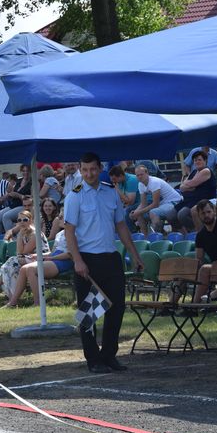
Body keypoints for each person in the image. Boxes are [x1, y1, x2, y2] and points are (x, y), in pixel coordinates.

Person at [65, 152, 144, 374]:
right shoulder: (75, 195)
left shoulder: (111, 192)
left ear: (100, 168)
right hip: (87, 259)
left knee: (116, 309)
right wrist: (78, 260)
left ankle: (109, 356)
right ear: (80, 170)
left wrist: (135, 255)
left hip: (111, 257)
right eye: (85, 169)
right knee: (89, 313)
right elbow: (69, 231)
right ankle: (93, 359)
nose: (89, 173)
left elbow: (121, 226)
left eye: (93, 169)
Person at [4, 227, 74, 307]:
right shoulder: (59, 234)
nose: (59, 219)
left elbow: (70, 254)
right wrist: (38, 255)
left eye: (61, 217)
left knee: (31, 269)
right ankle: (13, 302)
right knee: (24, 269)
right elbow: (53, 252)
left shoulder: (73, 233)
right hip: (54, 258)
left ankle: (38, 302)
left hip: (64, 260)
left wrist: (51, 258)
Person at [130, 165, 183, 234]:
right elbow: (143, 204)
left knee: (153, 212)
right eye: (137, 175)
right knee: (139, 215)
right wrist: (135, 212)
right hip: (164, 203)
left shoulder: (154, 182)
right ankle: (146, 238)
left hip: (174, 201)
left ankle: (159, 236)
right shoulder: (140, 184)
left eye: (141, 174)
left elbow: (155, 204)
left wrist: (139, 212)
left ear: (147, 173)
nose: (140, 177)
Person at [176, 151, 217, 233]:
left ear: (205, 161)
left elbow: (192, 183)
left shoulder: (206, 171)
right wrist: (189, 185)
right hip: (190, 200)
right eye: (195, 160)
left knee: (182, 214)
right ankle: (187, 234)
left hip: (205, 199)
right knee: (171, 215)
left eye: (199, 160)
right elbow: (182, 187)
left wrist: (187, 184)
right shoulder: (194, 172)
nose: (197, 162)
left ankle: (200, 232)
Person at [0, 165, 30, 235]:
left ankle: (11, 239)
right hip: (13, 205)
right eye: (24, 171)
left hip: (24, 206)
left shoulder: (32, 183)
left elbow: (32, 198)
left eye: (27, 171)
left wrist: (19, 196)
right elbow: (12, 191)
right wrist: (8, 195)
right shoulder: (19, 181)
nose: (26, 173)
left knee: (6, 216)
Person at [107, 165, 140, 232]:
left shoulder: (131, 180)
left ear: (121, 176)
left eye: (114, 179)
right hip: (131, 204)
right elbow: (122, 200)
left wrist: (117, 189)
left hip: (141, 203)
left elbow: (130, 201)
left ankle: (131, 233)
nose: (113, 182)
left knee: (125, 212)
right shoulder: (120, 182)